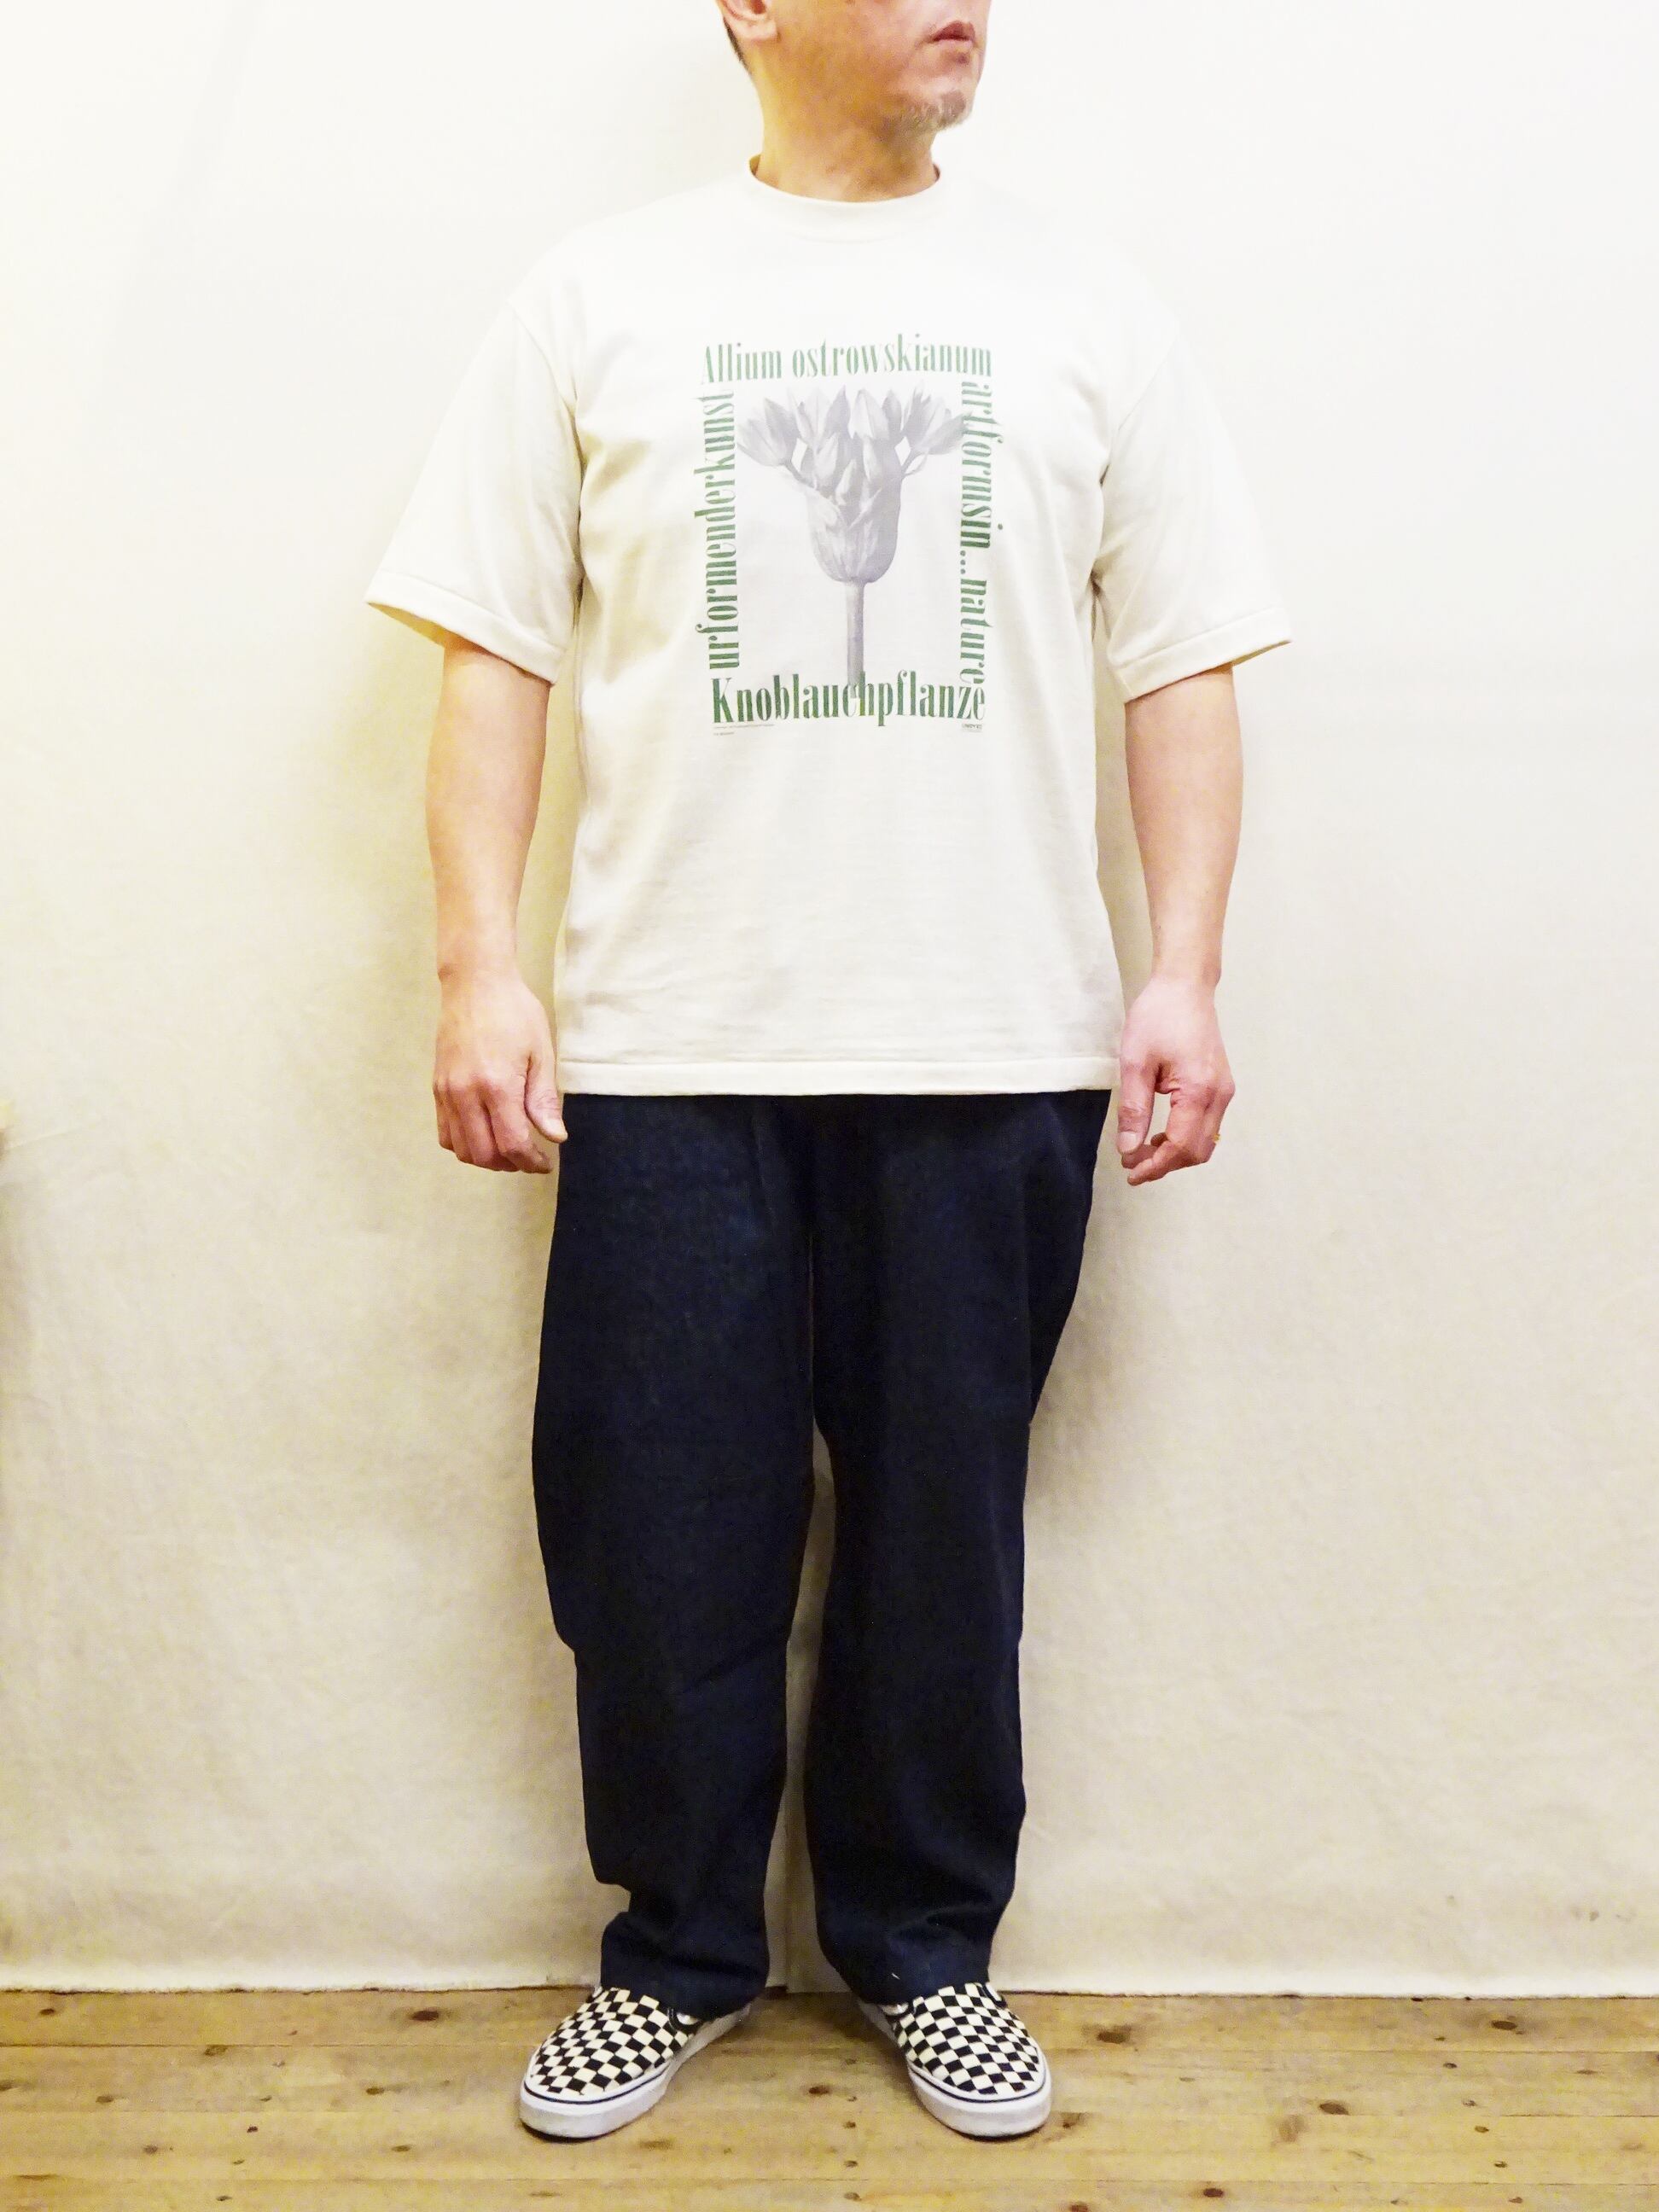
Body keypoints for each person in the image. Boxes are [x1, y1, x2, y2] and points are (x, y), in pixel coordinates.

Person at [364, 0, 1290, 2147]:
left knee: (942, 1539)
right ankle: (677, 1951)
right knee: (655, 1530)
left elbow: (1182, 660)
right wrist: (479, 969)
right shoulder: (599, 298)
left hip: (993, 1037)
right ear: (752, 9)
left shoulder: (1083, 304)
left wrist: (1189, 972)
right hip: (673, 1043)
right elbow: (494, 652)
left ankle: (925, 1948)